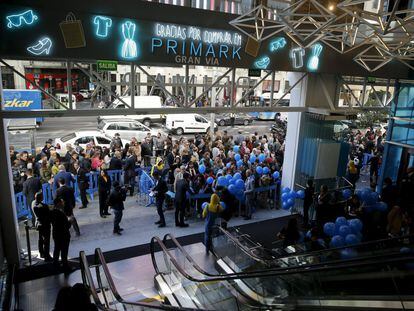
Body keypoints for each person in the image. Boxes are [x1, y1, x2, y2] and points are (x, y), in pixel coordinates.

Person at [50, 198, 71, 271]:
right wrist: (70, 221)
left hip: (56, 234)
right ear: (59, 203)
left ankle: (55, 265)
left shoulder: (52, 212)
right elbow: (66, 226)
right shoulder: (61, 213)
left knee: (56, 250)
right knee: (64, 251)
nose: (63, 203)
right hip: (63, 235)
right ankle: (65, 266)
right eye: (62, 202)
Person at [32, 191, 52, 261]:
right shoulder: (44, 206)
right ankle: (47, 256)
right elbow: (48, 215)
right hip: (45, 225)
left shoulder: (33, 203)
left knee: (40, 240)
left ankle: (42, 253)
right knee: (46, 241)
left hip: (38, 224)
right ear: (41, 198)